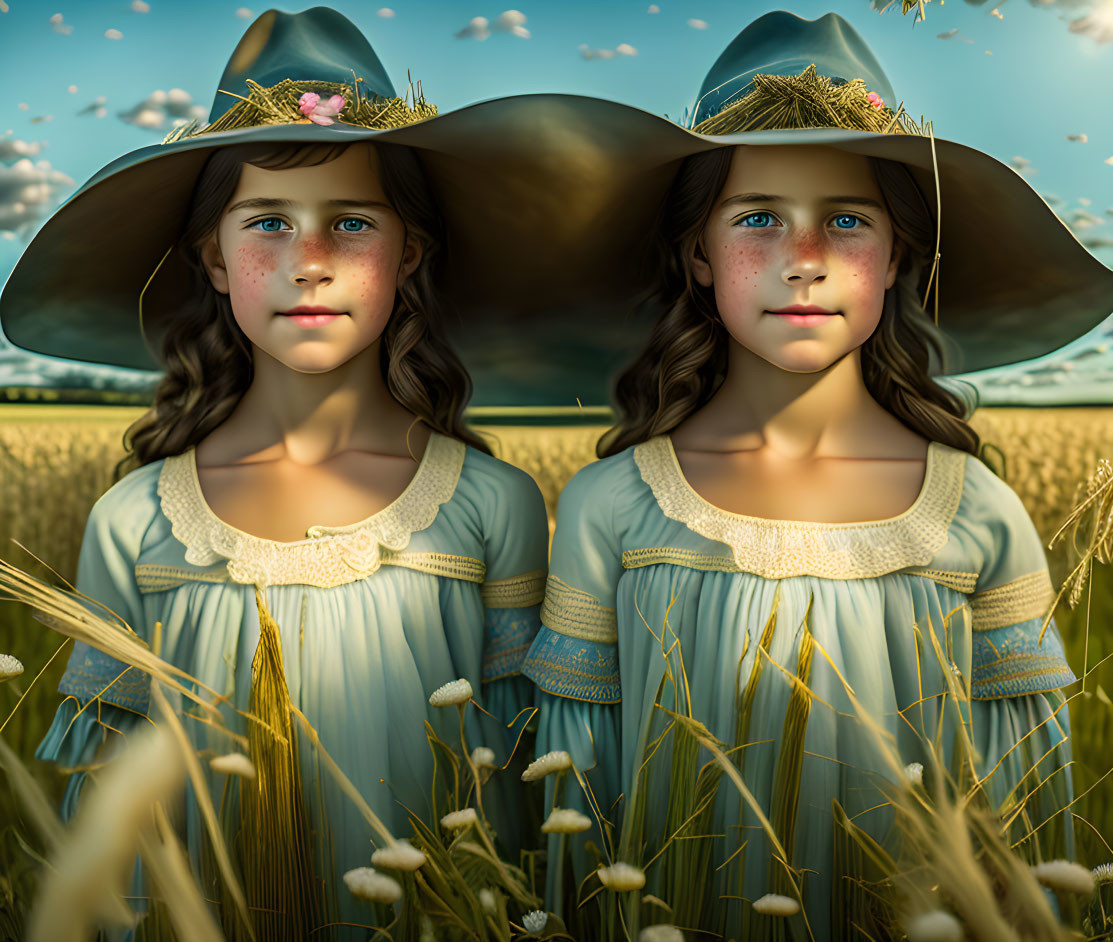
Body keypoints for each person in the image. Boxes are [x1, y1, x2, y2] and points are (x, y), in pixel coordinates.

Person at [522, 11, 1113, 938]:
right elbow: (572, 801)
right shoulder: (613, 507)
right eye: (759, 218)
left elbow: (1021, 811)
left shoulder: (977, 516)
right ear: (698, 254)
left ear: (894, 259)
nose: (803, 260)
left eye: (845, 221)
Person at [1, 9, 549, 938]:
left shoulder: (491, 507)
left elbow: (523, 783)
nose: (309, 261)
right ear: (213, 259)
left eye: (350, 222)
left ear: (408, 253)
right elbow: (108, 805)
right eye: (267, 224)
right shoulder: (136, 521)